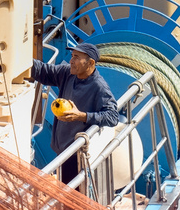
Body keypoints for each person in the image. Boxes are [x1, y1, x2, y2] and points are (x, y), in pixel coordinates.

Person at [31, 43, 121, 184]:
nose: (71, 60)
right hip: (61, 151)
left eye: (76, 57)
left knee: (72, 195)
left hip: (76, 156)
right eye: (72, 56)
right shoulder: (68, 73)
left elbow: (112, 117)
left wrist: (81, 116)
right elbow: (43, 71)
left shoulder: (99, 87)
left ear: (90, 63)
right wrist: (21, 58)